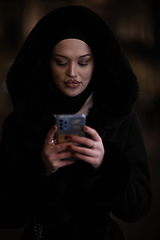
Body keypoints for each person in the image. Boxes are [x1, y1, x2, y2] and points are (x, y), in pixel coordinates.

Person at [0, 5, 152, 240]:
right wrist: (41, 169)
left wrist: (106, 164)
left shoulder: (120, 119)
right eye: (61, 62)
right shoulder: (20, 123)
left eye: (83, 62)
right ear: (46, 63)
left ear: (96, 63)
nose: (72, 72)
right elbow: (7, 216)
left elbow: (138, 207)